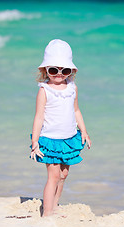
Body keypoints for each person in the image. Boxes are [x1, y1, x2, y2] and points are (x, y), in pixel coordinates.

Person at [30, 39, 91, 217]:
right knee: (53, 176)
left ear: (71, 71)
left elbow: (76, 111)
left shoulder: (72, 88)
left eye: (64, 70)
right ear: (45, 70)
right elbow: (39, 117)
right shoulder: (45, 90)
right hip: (51, 140)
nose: (58, 74)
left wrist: (84, 132)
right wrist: (35, 141)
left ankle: (54, 205)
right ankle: (47, 212)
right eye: (53, 70)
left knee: (63, 175)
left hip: (69, 138)